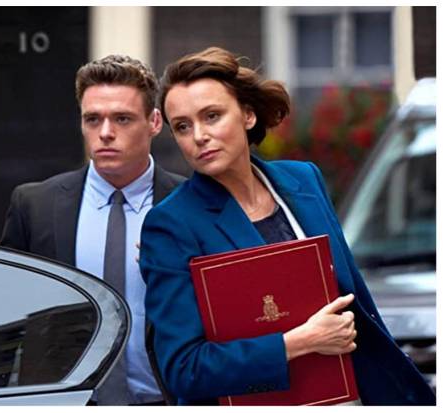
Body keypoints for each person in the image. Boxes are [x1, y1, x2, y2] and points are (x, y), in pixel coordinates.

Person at [139, 46, 435, 406]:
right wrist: (298, 343)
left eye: (212, 116)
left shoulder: (304, 180)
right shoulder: (170, 224)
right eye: (183, 126)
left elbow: (357, 299)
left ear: (248, 115)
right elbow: (184, 369)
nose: (198, 135)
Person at [0, 54, 186, 405]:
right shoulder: (35, 206)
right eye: (93, 119)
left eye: (122, 119)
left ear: (154, 121)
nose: (105, 133)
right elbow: (1, 319)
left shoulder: (190, 205)